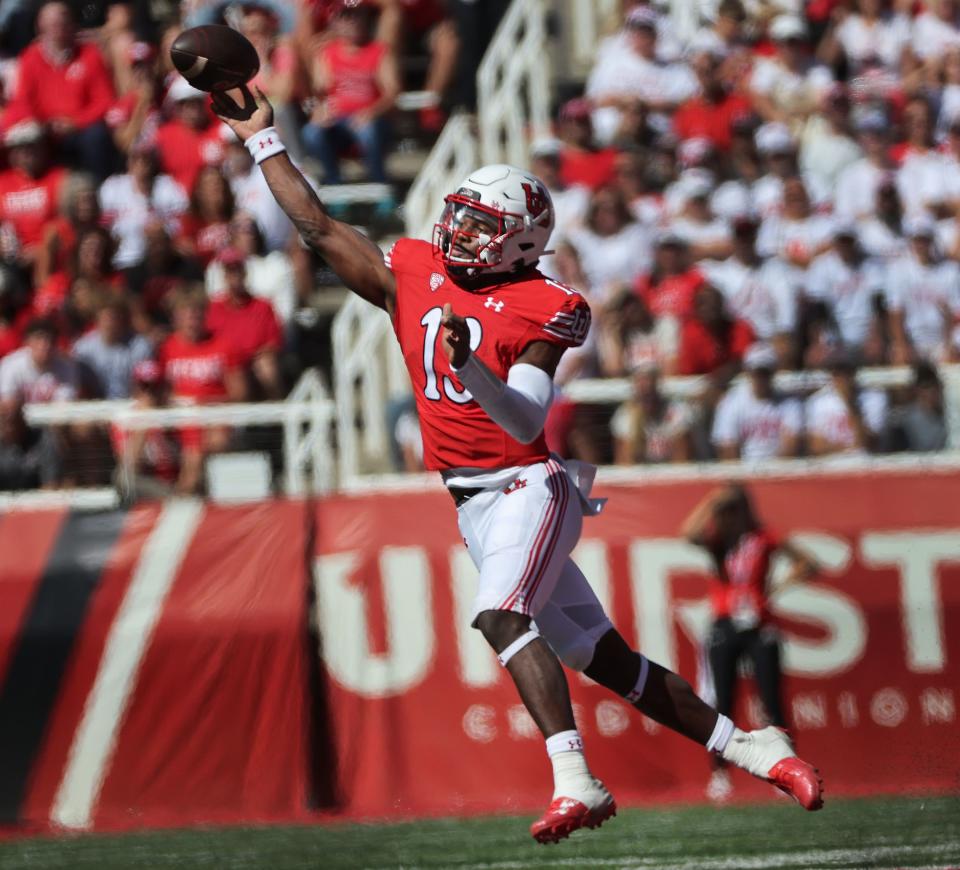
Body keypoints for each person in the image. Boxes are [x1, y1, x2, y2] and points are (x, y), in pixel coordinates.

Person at [212, 83, 825, 843]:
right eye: (459, 217)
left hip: (529, 483)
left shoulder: (546, 301)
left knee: (503, 615)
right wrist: (262, 140)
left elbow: (529, 416)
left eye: (479, 225)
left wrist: (473, 372)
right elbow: (315, 226)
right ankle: (753, 747)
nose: (458, 232)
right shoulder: (414, 271)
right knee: (601, 657)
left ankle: (576, 778)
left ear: (520, 241)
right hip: (473, 501)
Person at [681, 484, 819, 804]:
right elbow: (688, 533)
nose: (732, 514)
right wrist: (711, 501)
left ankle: (785, 772)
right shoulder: (718, 540)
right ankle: (719, 773)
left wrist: (777, 588)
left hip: (759, 623)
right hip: (725, 622)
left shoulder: (764, 536)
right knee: (723, 702)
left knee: (771, 700)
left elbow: (808, 563)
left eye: (735, 507)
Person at [3, 1, 115, 180]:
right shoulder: (30, 58)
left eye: (63, 21)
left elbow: (104, 101)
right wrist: (44, 124)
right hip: (44, 129)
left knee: (97, 136)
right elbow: (23, 101)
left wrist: (76, 122)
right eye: (52, 23)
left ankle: (98, 189)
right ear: (40, 26)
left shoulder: (89, 55)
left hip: (81, 128)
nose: (58, 27)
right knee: (24, 138)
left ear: (72, 24)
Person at [711, 343, 802, 461]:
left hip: (780, 470)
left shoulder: (790, 403)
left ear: (773, 372)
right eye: (757, 372)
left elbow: (791, 446)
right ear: (748, 372)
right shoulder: (731, 403)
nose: (761, 378)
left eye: (765, 373)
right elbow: (728, 449)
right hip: (744, 470)